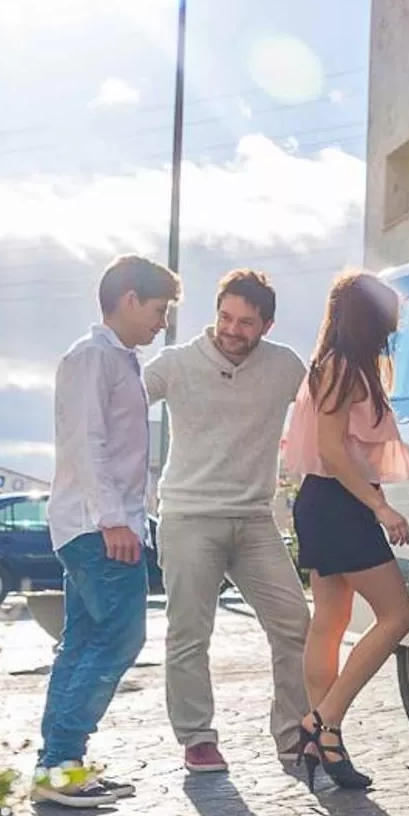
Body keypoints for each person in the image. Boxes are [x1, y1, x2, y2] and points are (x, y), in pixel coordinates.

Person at [143, 268, 311, 775]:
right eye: (226, 317)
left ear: (267, 325)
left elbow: (327, 411)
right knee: (190, 633)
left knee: (295, 624)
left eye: (246, 322)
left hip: (255, 521)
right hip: (189, 517)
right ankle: (197, 737)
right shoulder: (176, 364)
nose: (232, 330)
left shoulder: (284, 366)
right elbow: (117, 405)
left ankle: (294, 734)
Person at [34, 254, 178, 809]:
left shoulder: (118, 359)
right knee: (119, 639)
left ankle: (57, 767)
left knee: (82, 644)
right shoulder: (93, 356)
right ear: (129, 299)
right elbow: (86, 441)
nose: (162, 322)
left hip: (96, 525)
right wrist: (113, 519)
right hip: (99, 528)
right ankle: (61, 761)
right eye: (159, 310)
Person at [279, 271, 409, 791]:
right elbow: (334, 451)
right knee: (398, 616)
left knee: (331, 620)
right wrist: (380, 507)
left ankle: (327, 741)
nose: (393, 325)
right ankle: (323, 719)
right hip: (339, 502)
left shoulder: (336, 364)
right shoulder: (341, 366)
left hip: (322, 500)